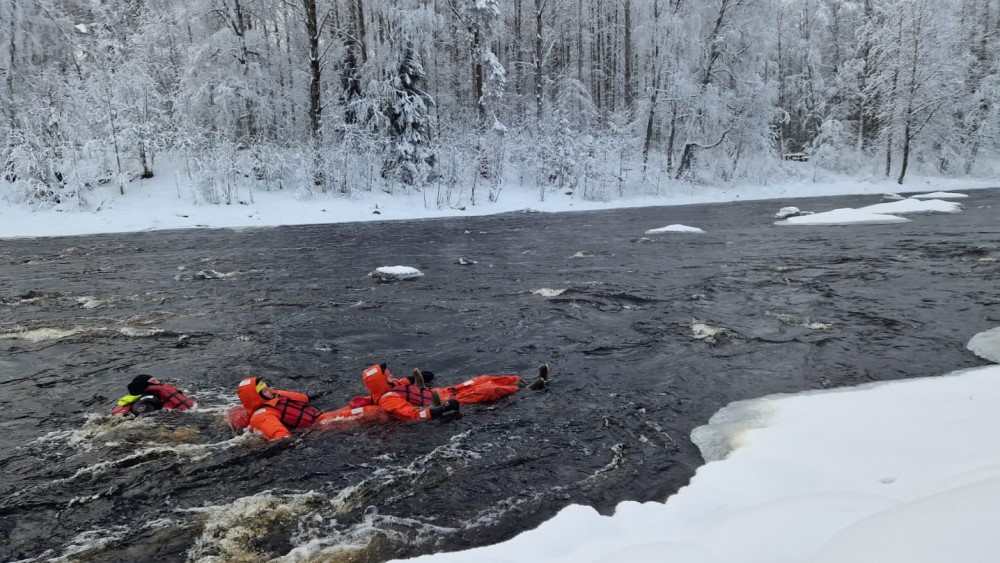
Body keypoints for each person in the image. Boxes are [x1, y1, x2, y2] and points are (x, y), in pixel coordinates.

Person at [234, 376, 387, 440]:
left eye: (265, 384)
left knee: (361, 403)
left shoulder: (274, 398)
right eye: (262, 388)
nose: (268, 388)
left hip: (321, 417)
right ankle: (408, 417)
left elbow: (303, 399)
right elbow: (281, 437)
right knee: (374, 411)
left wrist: (275, 393)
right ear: (256, 396)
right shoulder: (263, 415)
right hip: (318, 427)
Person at [111, 374, 195, 416]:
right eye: (154, 381)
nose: (159, 382)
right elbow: (147, 418)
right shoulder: (146, 400)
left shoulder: (160, 396)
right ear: (145, 385)